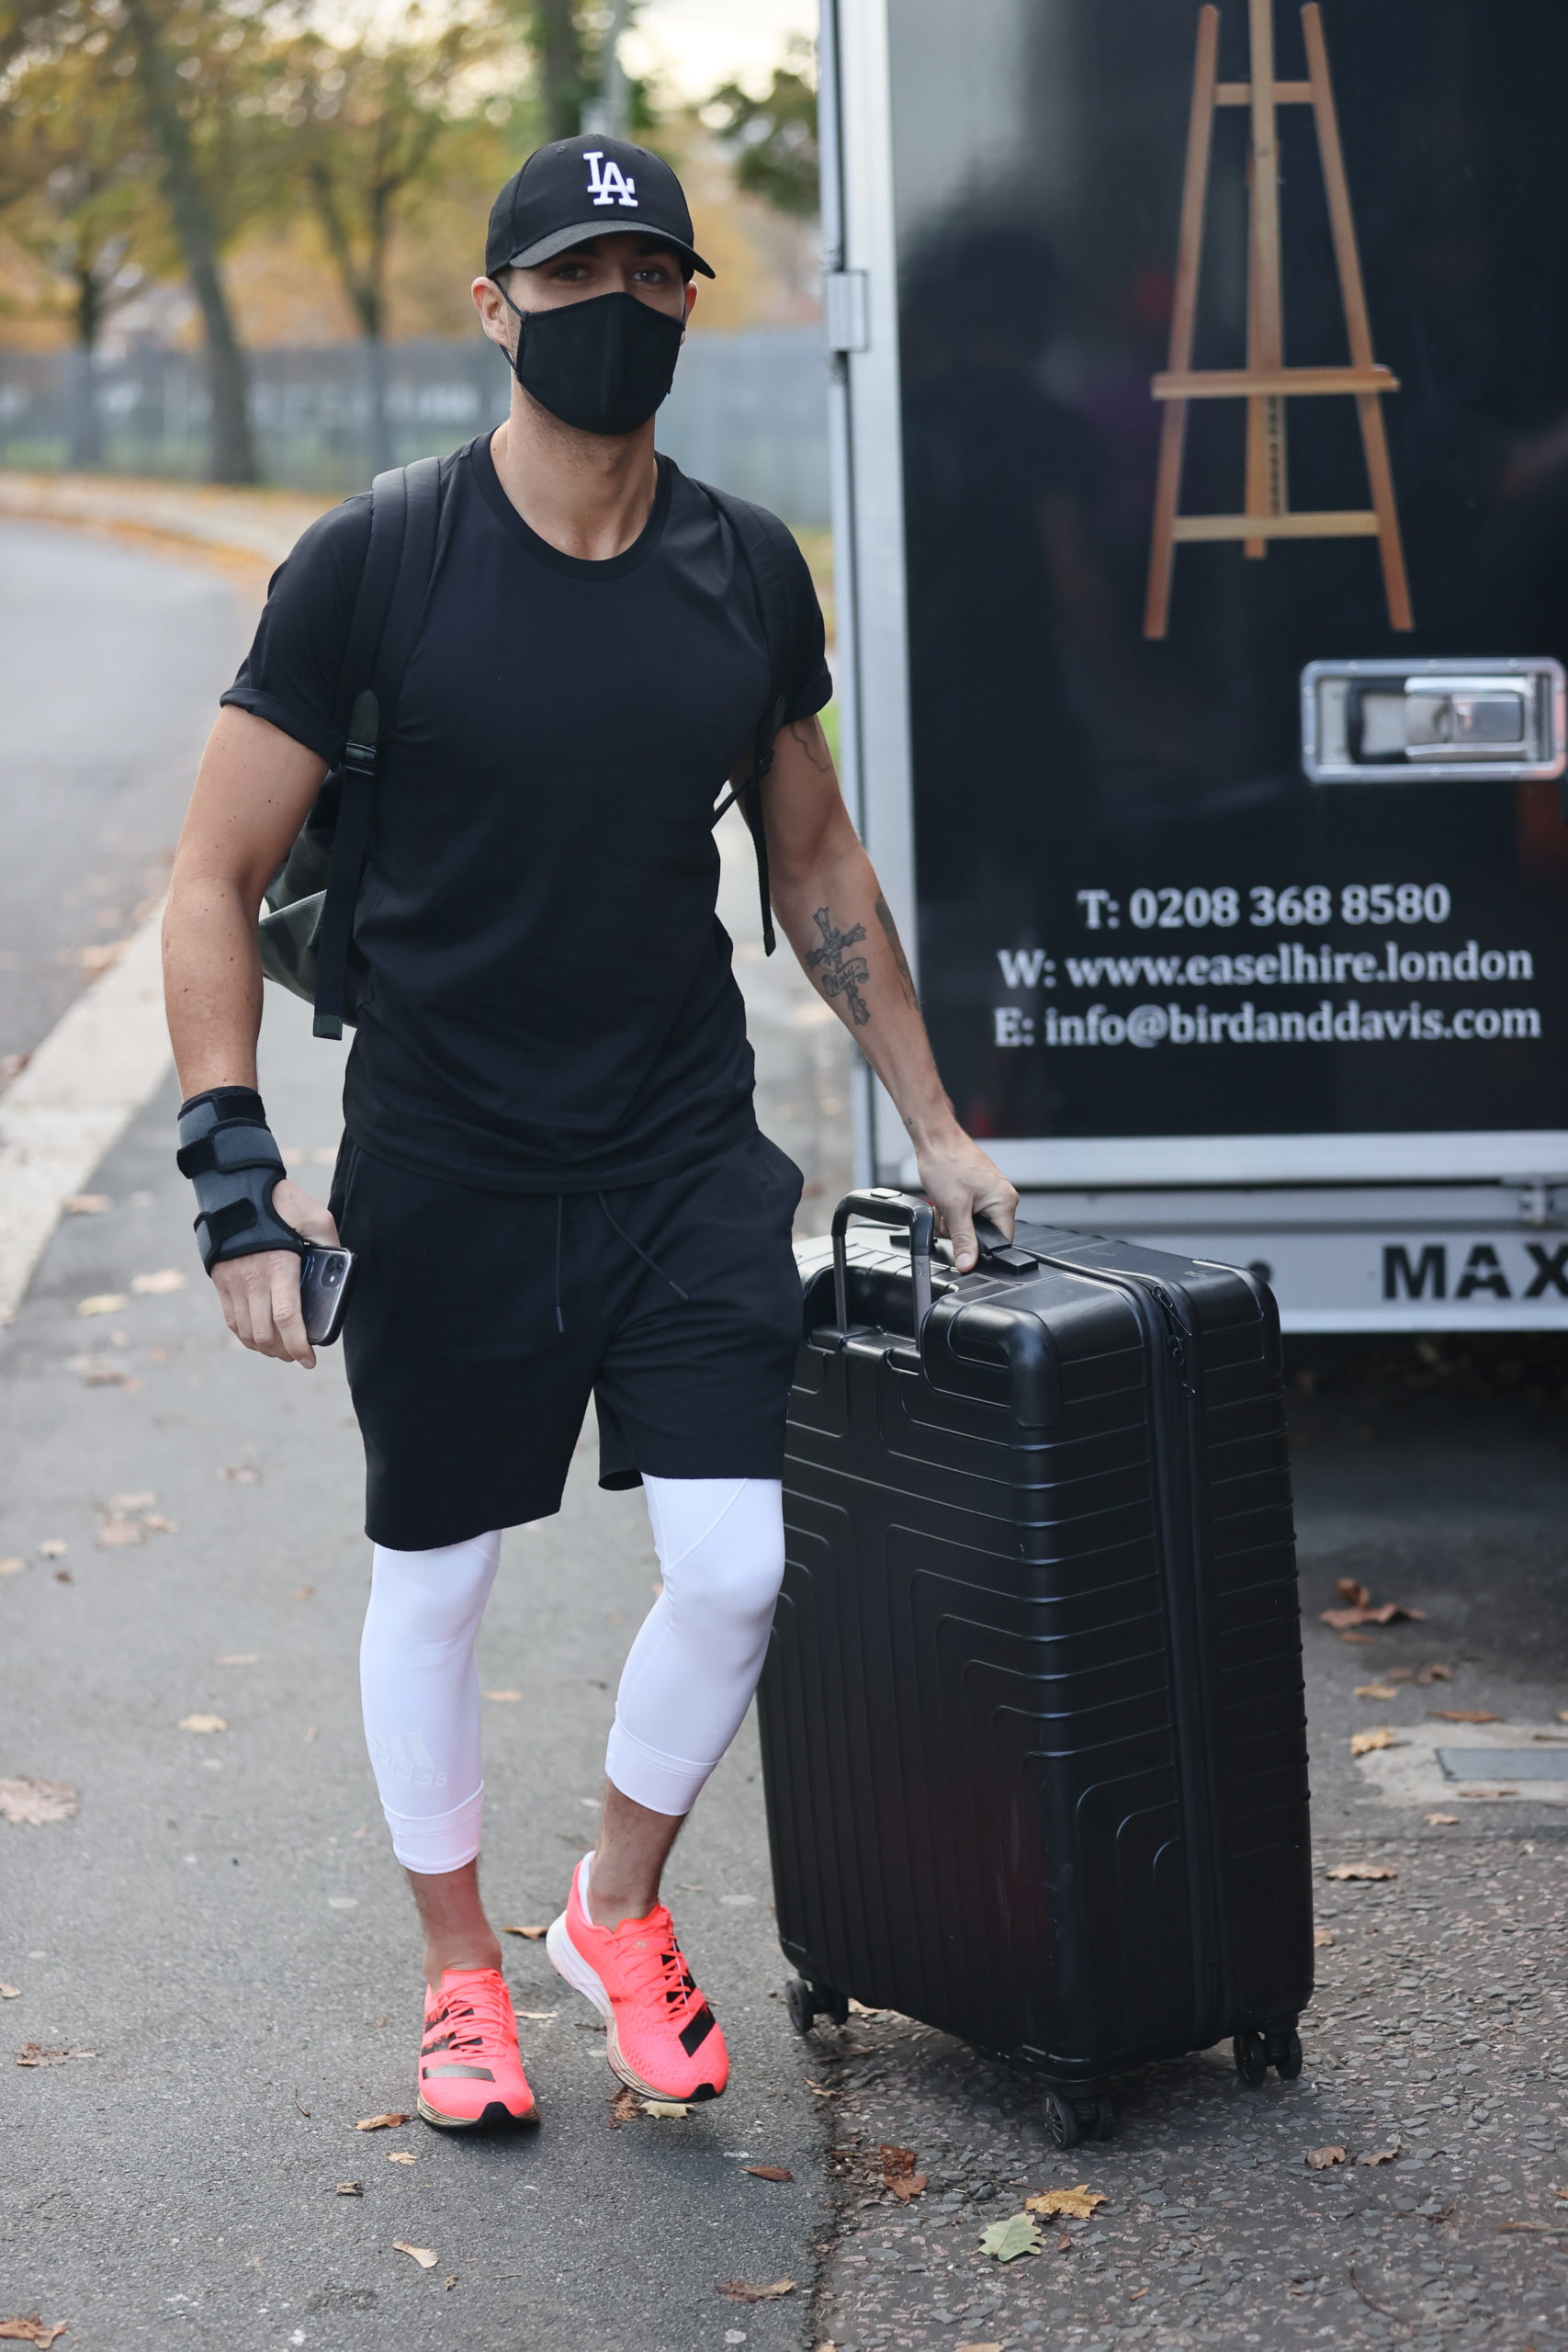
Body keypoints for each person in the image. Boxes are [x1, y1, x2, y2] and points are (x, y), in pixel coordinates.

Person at [162, 133, 1017, 2133]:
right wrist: (233, 1178)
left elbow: (812, 865)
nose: (611, 313)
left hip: (671, 1156)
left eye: (650, 278)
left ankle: (606, 1907)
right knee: (438, 1578)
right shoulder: (378, 561)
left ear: (688, 305)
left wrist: (938, 1120)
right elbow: (214, 872)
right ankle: (459, 1969)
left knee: (733, 1562)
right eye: (569, 279)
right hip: (448, 1156)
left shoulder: (738, 567)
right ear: (492, 307)